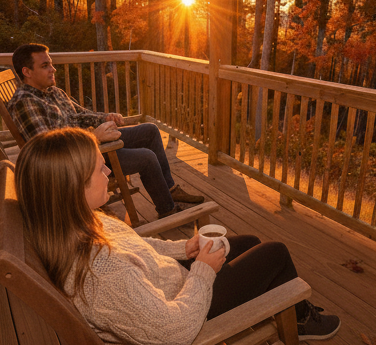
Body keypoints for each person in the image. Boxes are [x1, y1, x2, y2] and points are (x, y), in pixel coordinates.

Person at [15, 128, 341, 344]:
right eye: (100, 169)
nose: (110, 172)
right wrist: (203, 270)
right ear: (74, 188)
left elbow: (135, 246)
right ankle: (298, 318)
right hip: (187, 310)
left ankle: (293, 310)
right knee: (276, 253)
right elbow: (174, 331)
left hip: (169, 283)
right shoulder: (103, 275)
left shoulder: (75, 222)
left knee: (249, 243)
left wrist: (183, 248)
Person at [7, 43, 203, 218]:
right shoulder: (26, 103)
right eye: (45, 66)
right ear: (27, 71)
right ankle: (167, 209)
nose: (53, 69)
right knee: (147, 157)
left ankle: (169, 189)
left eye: (50, 63)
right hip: (81, 160)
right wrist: (94, 137)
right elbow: (49, 150)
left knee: (150, 131)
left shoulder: (52, 91)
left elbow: (80, 115)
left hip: (93, 144)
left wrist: (105, 117)